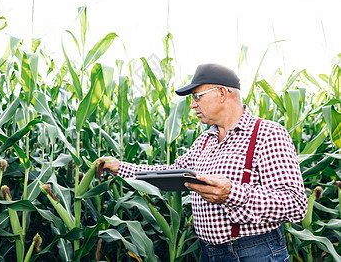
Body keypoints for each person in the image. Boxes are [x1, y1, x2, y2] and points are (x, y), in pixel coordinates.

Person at [99, 63, 307, 261]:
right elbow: (172, 172)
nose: (192, 105)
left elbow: (296, 204)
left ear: (223, 93)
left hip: (254, 251)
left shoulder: (267, 134)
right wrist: (120, 167)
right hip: (209, 252)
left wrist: (231, 193)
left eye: (197, 97)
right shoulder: (205, 140)